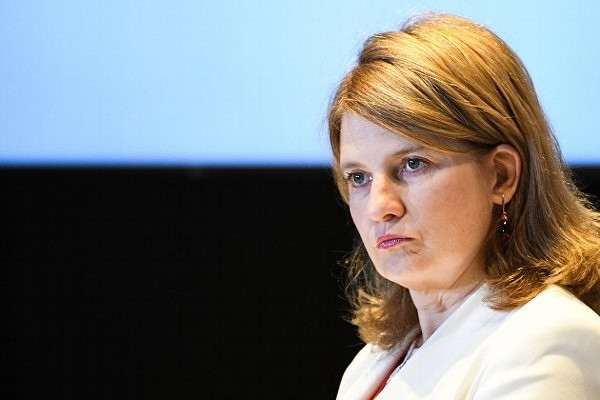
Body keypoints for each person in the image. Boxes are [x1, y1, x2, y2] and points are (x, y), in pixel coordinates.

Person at [328, 13, 600, 399]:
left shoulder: (548, 341)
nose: (379, 207)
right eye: (359, 177)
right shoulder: (372, 362)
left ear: (501, 176)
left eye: (412, 164)